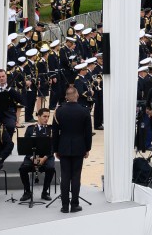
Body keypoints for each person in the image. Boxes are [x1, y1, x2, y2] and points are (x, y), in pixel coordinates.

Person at [53, 84, 91, 213]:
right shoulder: (84, 111)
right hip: (79, 146)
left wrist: (55, 149)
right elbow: (88, 132)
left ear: (66, 97)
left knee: (65, 177)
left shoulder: (59, 111)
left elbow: (55, 132)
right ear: (77, 96)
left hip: (63, 146)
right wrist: (88, 148)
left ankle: (64, 206)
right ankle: (74, 204)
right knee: (76, 176)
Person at [17, 107, 56, 202]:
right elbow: (25, 146)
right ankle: (27, 192)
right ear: (38, 116)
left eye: (48, 116)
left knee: (50, 168)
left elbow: (53, 147)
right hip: (32, 156)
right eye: (44, 116)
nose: (46, 119)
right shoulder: (30, 129)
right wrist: (32, 158)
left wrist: (44, 158)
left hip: (46, 156)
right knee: (22, 169)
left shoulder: (50, 129)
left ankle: (45, 192)